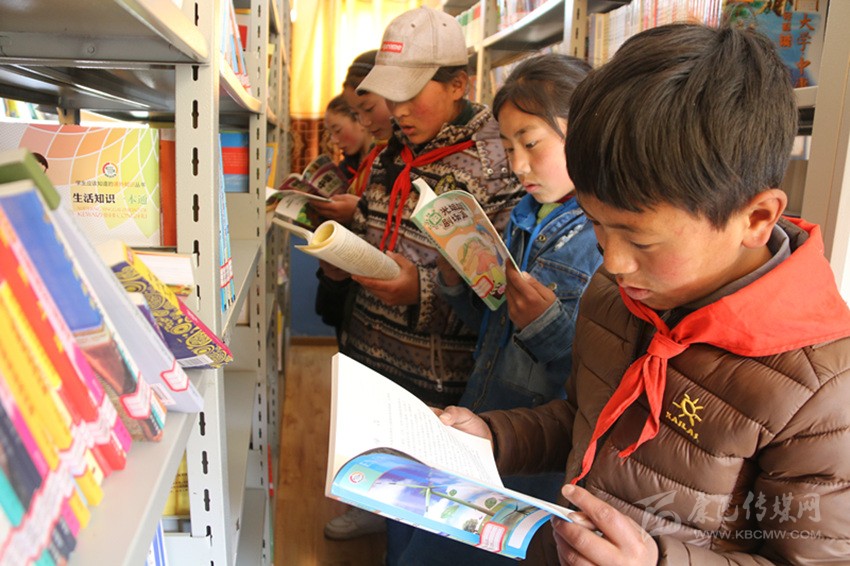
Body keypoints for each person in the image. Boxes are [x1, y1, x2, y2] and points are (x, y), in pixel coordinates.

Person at [436, 22, 850, 565]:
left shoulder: (820, 390)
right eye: (596, 224)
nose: (611, 262)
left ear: (755, 218)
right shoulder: (617, 295)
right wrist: (494, 436)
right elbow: (586, 422)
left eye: (640, 240)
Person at [390, 53, 603, 566]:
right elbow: (493, 326)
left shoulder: (602, 237)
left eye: (531, 143)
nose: (517, 165)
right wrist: (454, 276)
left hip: (536, 451)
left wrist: (545, 328)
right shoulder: (524, 216)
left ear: (588, 132)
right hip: (484, 413)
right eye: (508, 148)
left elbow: (597, 381)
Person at [322, 5, 524, 543]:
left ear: (458, 84)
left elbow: (501, 291)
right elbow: (375, 222)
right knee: (378, 462)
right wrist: (345, 253)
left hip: (437, 371)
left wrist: (424, 290)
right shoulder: (392, 149)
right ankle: (373, 507)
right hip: (372, 344)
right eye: (392, 96)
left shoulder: (498, 163)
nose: (399, 111)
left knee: (426, 506)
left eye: (412, 95)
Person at [323, 93, 372, 184]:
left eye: (338, 130)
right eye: (330, 133)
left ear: (359, 119)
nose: (334, 140)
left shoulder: (385, 162)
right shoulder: (345, 168)